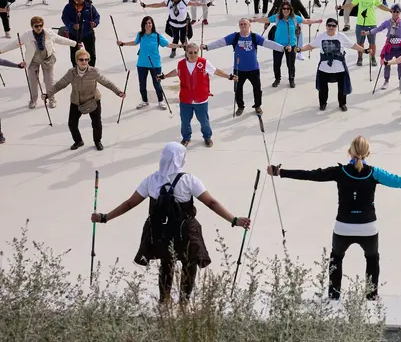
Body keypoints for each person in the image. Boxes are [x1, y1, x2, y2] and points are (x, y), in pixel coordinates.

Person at [265, 136, 401, 300]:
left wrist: (279, 172)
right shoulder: (374, 173)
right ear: (368, 153)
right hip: (368, 227)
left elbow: (309, 175)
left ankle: (334, 296)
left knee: (336, 258)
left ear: (349, 152)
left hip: (343, 226)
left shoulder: (339, 171)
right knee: (372, 259)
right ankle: (371, 296)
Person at [90, 142, 251, 304]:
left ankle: (165, 301)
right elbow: (212, 203)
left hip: (160, 231)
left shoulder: (151, 180)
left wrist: (105, 217)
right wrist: (234, 220)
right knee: (189, 263)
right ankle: (184, 301)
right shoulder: (189, 180)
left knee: (166, 262)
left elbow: (129, 203)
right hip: (185, 231)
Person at [44, 49, 124, 150]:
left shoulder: (94, 72)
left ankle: (97, 141)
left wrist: (119, 92)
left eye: (86, 59)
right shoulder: (71, 73)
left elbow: (107, 83)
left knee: (96, 123)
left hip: (93, 100)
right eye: (81, 59)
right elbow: (60, 85)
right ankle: (78, 141)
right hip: (76, 101)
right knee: (72, 124)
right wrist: (47, 95)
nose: (84, 62)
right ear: (76, 61)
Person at [158, 44, 236, 147]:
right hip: (186, 99)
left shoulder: (204, 63)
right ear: (186, 52)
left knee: (204, 122)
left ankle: (207, 137)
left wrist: (229, 76)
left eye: (195, 52)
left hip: (201, 100)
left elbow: (216, 71)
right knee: (185, 122)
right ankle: (186, 138)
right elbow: (176, 72)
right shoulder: (181, 64)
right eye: (190, 53)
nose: (193, 55)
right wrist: (164, 76)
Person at [202, 19, 283, 116]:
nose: (243, 25)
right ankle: (240, 106)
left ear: (249, 25)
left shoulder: (254, 37)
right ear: (239, 26)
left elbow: (269, 43)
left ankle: (257, 106)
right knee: (237, 90)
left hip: (253, 69)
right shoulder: (235, 37)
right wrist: (207, 47)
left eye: (245, 24)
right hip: (238, 70)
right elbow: (221, 42)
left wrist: (282, 48)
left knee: (257, 89)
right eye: (241, 24)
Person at [3, 16, 77, 109]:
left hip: (47, 59)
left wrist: (75, 43)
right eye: (36, 26)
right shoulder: (27, 35)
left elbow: (60, 39)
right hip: (33, 60)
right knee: (33, 81)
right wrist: (1, 50)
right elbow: (14, 44)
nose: (39, 28)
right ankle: (33, 100)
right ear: (32, 27)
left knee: (49, 81)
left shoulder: (49, 33)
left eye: (40, 25)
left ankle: (51, 99)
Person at [298, 18, 369, 112]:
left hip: (340, 68)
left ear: (336, 27)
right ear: (326, 26)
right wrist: (300, 50)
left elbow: (353, 45)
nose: (331, 27)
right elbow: (311, 46)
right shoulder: (321, 37)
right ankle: (323, 103)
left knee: (342, 88)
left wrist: (364, 50)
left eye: (333, 26)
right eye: (329, 25)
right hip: (324, 68)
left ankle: (342, 104)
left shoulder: (341, 36)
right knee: (323, 89)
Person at [116, 16, 184, 110]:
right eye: (146, 23)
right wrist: (123, 43)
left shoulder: (157, 36)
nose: (148, 25)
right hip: (142, 64)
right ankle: (144, 101)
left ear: (152, 24)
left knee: (157, 84)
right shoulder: (140, 35)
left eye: (150, 23)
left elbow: (168, 44)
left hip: (155, 64)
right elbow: (135, 42)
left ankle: (160, 101)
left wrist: (180, 46)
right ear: (143, 25)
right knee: (142, 84)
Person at [250, 4, 321, 88]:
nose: (285, 10)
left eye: (287, 8)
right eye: (284, 8)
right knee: (277, 63)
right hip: (278, 45)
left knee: (291, 64)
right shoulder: (277, 17)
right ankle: (277, 79)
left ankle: (291, 80)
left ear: (290, 10)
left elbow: (306, 21)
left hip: (291, 45)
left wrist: (316, 21)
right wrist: (254, 20)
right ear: (281, 9)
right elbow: (266, 19)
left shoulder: (294, 18)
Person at [338, 0, 391, 67]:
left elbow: (380, 5)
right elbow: (351, 5)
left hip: (372, 23)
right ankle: (360, 58)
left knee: (372, 43)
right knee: (360, 43)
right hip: (360, 23)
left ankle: (373, 58)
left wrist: (389, 10)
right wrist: (341, 7)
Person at [141, 0, 208, 58]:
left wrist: (206, 4)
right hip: (173, 25)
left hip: (183, 25)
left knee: (183, 39)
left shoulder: (184, 1)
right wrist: (146, 5)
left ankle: (186, 51)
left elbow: (196, 3)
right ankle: (173, 51)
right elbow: (158, 5)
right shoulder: (168, 1)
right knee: (175, 38)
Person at [61, 0, 100, 67]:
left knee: (91, 53)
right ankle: (76, 70)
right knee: (74, 54)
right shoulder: (68, 7)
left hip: (88, 34)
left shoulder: (90, 6)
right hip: (74, 34)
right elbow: (64, 18)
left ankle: (91, 70)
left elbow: (97, 16)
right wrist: (72, 25)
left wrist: (95, 23)